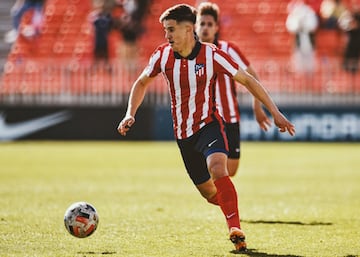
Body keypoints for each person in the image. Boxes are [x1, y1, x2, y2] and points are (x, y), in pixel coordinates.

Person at [117, 4, 295, 252]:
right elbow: (141, 82)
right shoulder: (162, 56)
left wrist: (274, 112)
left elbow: (248, 80)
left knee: (218, 168)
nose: (166, 36)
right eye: (165, 30)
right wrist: (130, 114)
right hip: (183, 135)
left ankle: (235, 228)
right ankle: (231, 205)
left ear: (189, 29)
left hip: (209, 125)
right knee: (209, 193)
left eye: (171, 30)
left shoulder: (212, 55)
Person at [196, 2, 271, 177]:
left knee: (231, 170)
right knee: (216, 168)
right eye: (202, 23)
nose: (205, 28)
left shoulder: (228, 49)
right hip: (205, 120)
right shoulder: (190, 53)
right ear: (195, 26)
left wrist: (257, 107)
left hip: (229, 117)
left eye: (209, 24)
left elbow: (252, 77)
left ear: (216, 28)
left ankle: (217, 194)